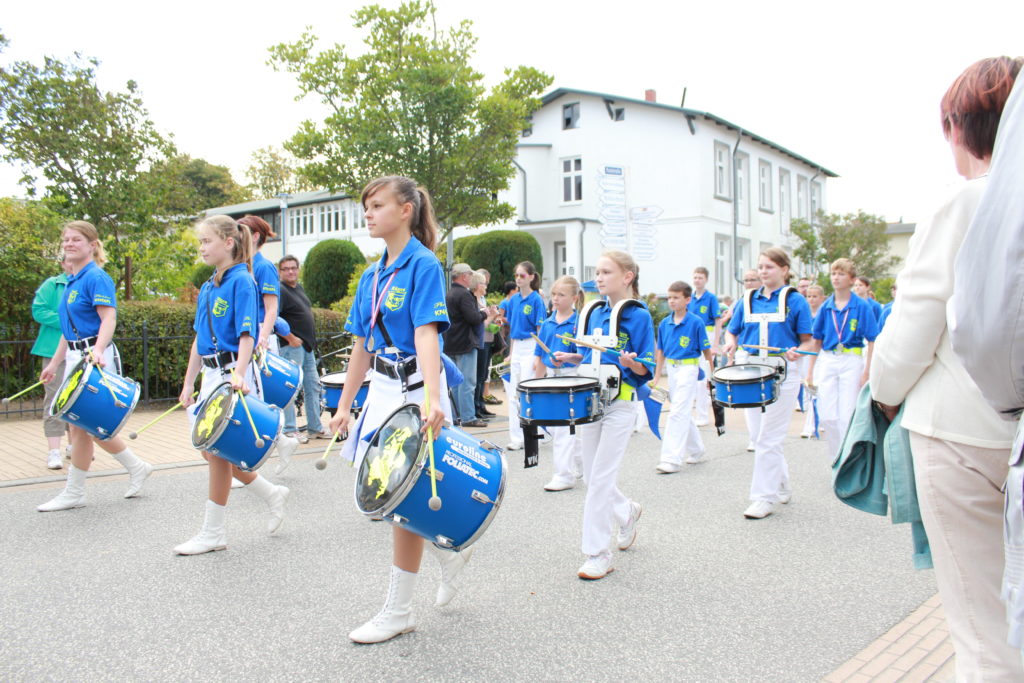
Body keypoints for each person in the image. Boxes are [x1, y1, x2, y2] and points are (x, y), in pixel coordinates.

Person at [871, 56, 1023, 680]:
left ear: (961, 127)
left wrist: (883, 392)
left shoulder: (967, 201)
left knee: (984, 628)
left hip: (964, 432)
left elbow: (914, 325)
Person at [327, 175, 470, 645]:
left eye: (377, 205)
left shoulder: (423, 264)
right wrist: (344, 406)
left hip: (415, 389)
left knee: (401, 500)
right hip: (383, 391)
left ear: (405, 210)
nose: (368, 214)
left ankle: (399, 611)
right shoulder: (371, 276)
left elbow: (427, 334)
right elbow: (361, 347)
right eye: (366, 207)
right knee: (384, 494)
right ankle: (448, 554)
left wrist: (433, 396)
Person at [174, 215, 291, 555]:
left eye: (206, 241)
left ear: (228, 242)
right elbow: (199, 339)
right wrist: (188, 383)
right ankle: (271, 493)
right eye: (200, 242)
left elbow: (247, 334)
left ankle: (213, 532)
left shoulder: (243, 280)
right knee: (210, 451)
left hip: (230, 374)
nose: (202, 248)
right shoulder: (209, 286)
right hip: (211, 375)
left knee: (216, 452)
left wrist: (239, 373)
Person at [36, 221, 153, 511]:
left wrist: (98, 350)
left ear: (92, 245)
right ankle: (135, 467)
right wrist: (54, 363)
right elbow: (68, 331)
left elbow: (108, 318)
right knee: (83, 425)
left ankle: (76, 491)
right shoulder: (72, 280)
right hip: (75, 356)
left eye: (76, 239)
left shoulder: (96, 277)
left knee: (84, 426)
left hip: (93, 357)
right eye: (66, 239)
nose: (69, 243)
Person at [554, 251, 655, 580]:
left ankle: (598, 553)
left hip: (621, 404)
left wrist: (632, 364)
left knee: (600, 479)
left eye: (606, 272)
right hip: (591, 402)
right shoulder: (592, 312)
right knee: (591, 477)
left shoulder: (638, 316)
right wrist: (570, 357)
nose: (598, 277)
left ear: (627, 277)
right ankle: (627, 512)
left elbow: (646, 368)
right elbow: (587, 356)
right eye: (597, 272)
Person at [722, 248, 814, 519]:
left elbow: (808, 340)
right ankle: (781, 483)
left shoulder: (795, 300)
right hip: (750, 371)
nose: (763, 271)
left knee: (768, 437)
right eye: (760, 266)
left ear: (784, 270)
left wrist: (799, 351)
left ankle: (763, 498)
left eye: (769, 267)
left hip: (782, 373)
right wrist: (730, 343)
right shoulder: (747, 299)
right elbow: (732, 331)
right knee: (759, 435)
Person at [238, 216, 299, 475]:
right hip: (244, 340)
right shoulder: (240, 266)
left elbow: (271, 308)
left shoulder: (263, 267)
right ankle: (282, 441)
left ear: (254, 236)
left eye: (241, 231)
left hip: (259, 341)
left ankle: (249, 465)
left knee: (252, 402)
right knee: (250, 402)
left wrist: (262, 337)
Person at [806, 259, 877, 462]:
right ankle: (835, 456)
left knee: (847, 413)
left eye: (841, 274)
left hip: (851, 358)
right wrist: (810, 372)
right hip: (829, 358)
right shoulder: (826, 307)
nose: (836, 278)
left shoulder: (861, 306)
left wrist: (867, 371)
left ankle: (848, 459)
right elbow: (816, 340)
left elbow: (873, 339)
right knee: (827, 414)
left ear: (852, 279)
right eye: (833, 273)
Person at [653, 280, 711, 474]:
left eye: (676, 298)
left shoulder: (696, 322)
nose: (671, 301)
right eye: (669, 297)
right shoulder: (665, 323)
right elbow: (660, 351)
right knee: (682, 409)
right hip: (672, 369)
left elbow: (707, 351)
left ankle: (671, 459)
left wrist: (711, 375)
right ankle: (696, 450)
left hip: (689, 368)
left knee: (677, 411)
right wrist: (656, 376)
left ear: (687, 299)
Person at [532, 275, 584, 491]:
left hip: (572, 375)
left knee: (563, 427)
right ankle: (581, 460)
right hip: (552, 377)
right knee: (557, 427)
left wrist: (569, 357)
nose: (555, 298)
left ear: (574, 298)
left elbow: (585, 355)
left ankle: (564, 475)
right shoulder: (547, 323)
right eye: (554, 294)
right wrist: (535, 387)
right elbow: (539, 356)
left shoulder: (580, 322)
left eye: (561, 295)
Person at [276, 255, 326, 444]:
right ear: (280, 272)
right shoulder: (280, 290)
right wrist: (290, 338)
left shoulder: (299, 288)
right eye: (286, 269)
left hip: (306, 347)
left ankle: (315, 427)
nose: (290, 271)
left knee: (313, 386)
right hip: (292, 347)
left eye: (293, 268)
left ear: (298, 269)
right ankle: (290, 429)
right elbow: (273, 319)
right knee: (291, 388)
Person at [498, 261, 545, 450]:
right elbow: (513, 330)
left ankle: (532, 434)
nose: (518, 279)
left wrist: (538, 356)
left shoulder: (536, 300)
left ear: (531, 277)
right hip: (517, 346)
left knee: (527, 391)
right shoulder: (513, 300)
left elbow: (540, 330)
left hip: (531, 345)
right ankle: (516, 438)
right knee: (513, 394)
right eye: (516, 275)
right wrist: (511, 354)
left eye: (522, 275)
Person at [31, 256, 72, 470]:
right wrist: (67, 321)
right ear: (62, 263)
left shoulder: (85, 283)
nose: (72, 264)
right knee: (54, 398)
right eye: (68, 261)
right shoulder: (52, 284)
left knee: (76, 399)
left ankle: (74, 446)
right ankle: (53, 451)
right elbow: (39, 311)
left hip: (79, 350)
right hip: (52, 349)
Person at [443, 263, 493, 428]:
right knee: (467, 382)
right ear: (464, 276)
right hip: (465, 343)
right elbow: (473, 318)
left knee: (455, 383)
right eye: (470, 275)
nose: (472, 278)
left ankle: (456, 415)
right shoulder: (464, 294)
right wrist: (485, 313)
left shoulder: (449, 293)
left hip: (451, 342)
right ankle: (468, 417)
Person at [687, 267, 720, 428]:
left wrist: (715, 344)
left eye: (700, 277)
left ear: (706, 279)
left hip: (707, 334)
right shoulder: (690, 298)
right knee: (694, 376)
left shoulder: (711, 298)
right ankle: (697, 411)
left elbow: (718, 320)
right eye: (695, 277)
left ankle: (703, 415)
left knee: (704, 377)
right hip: (692, 336)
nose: (697, 280)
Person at [736, 269, 762, 452]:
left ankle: (765, 436)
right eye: (746, 280)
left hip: (768, 356)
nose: (749, 283)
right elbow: (733, 329)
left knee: (766, 399)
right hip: (747, 354)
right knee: (749, 398)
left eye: (753, 280)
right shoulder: (742, 302)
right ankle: (754, 437)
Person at [800, 284, 825, 438]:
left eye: (815, 296)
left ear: (822, 298)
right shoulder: (805, 314)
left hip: (821, 355)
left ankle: (812, 425)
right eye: (809, 296)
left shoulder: (824, 313)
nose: (811, 299)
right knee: (808, 387)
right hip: (806, 355)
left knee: (816, 388)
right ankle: (813, 421)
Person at [473, 269, 497, 420]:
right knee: (478, 376)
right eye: (484, 283)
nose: (486, 286)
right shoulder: (474, 301)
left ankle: (481, 405)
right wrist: (492, 316)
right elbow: (480, 324)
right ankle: (476, 407)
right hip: (480, 341)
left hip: (487, 340)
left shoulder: (482, 300)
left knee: (483, 375)